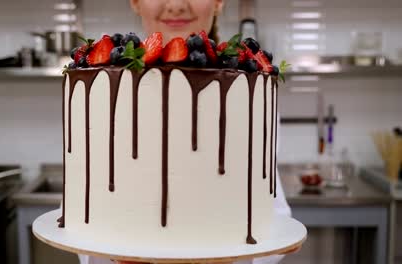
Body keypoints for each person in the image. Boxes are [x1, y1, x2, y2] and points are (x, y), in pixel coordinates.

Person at [78, 1, 293, 263]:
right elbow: (82, 216)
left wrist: (230, 256)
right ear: (134, 2)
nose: (177, 5)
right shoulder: (99, 90)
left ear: (219, 2)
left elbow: (271, 215)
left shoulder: (246, 92)